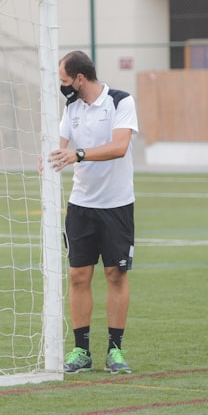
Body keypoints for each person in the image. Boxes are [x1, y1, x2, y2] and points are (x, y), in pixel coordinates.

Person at [47, 50, 138, 375]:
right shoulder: (70, 108)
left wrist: (78, 155)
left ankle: (115, 350)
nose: (63, 86)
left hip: (117, 206)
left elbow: (119, 147)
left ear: (80, 78)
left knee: (115, 275)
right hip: (81, 206)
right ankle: (80, 350)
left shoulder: (120, 101)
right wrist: (52, 157)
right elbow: (59, 147)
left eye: (64, 80)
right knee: (78, 276)